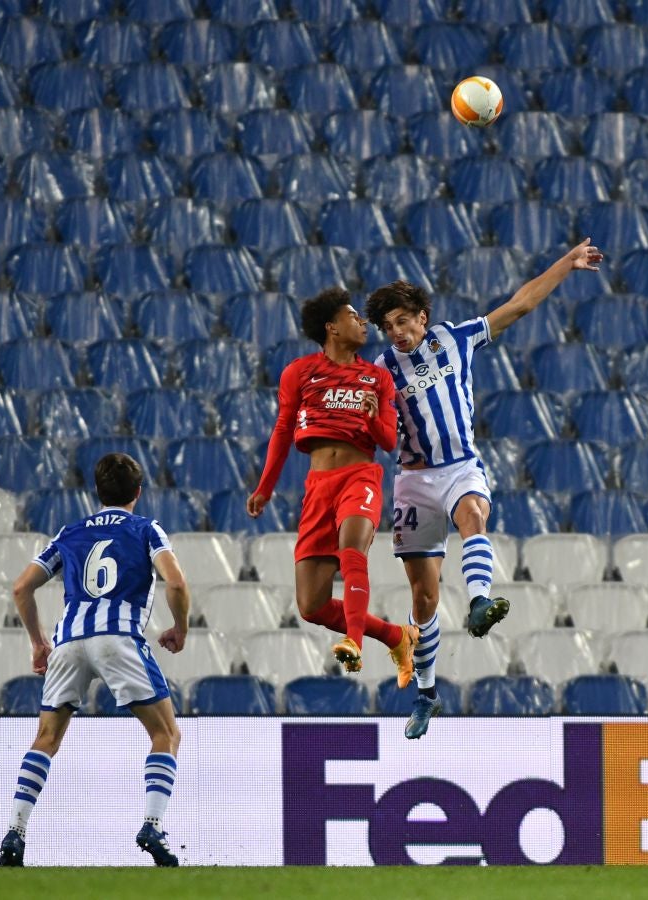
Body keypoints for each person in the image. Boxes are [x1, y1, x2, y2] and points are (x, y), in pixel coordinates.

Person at [364, 239, 605, 739]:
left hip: (459, 468)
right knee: (424, 596)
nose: (398, 333)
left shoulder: (457, 338)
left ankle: (479, 601)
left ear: (423, 317)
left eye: (404, 321)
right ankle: (427, 692)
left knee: (474, 512)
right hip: (412, 482)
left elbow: (520, 303)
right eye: (388, 327)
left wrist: (565, 262)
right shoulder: (381, 372)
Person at [0, 453, 190, 868]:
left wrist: (37, 642)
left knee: (47, 738)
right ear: (138, 492)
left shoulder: (70, 532)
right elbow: (174, 580)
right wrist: (180, 628)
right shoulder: (145, 529)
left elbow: (20, 589)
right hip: (118, 637)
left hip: (68, 641)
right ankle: (153, 824)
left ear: (97, 493)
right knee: (165, 734)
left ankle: (14, 831)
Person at [247, 288, 419, 682]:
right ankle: (396, 636)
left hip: (361, 476)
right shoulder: (299, 372)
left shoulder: (377, 378)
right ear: (332, 328)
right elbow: (282, 429)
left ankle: (354, 642)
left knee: (351, 549)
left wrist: (376, 419)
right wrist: (265, 487)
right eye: (353, 316)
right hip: (318, 486)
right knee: (311, 605)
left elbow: (390, 441)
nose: (362, 322)